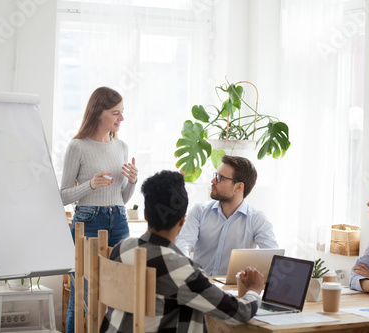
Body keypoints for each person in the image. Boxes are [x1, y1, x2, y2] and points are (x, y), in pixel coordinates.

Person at [100, 170, 264, 332]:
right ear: (182, 221)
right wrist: (254, 290)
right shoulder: (179, 269)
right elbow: (239, 313)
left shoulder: (121, 249)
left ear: (145, 215)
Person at [61, 87, 139, 333]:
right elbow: (62, 196)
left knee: (121, 293)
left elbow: (122, 198)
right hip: (88, 221)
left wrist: (134, 182)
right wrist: (90, 185)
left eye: (122, 112)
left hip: (119, 220)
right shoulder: (78, 147)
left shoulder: (122, 147)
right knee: (82, 297)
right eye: (116, 113)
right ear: (98, 113)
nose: (121, 119)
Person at [175, 155, 278, 276]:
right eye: (215, 175)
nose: (213, 181)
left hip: (233, 290)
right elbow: (184, 242)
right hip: (201, 286)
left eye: (220, 178)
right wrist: (186, 270)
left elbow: (273, 259)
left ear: (239, 187)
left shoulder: (257, 219)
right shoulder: (199, 211)